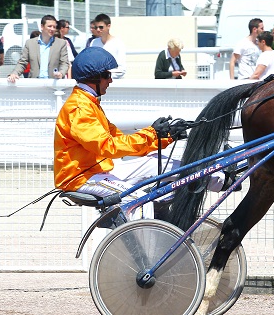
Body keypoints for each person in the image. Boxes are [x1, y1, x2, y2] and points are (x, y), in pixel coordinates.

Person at [53, 47, 226, 224]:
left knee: (154, 161)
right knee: (140, 200)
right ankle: (146, 249)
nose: (110, 80)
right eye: (106, 75)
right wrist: (151, 133)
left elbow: (122, 142)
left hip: (98, 169)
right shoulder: (79, 108)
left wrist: (164, 137)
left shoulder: (90, 104)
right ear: (93, 77)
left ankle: (220, 178)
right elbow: (109, 146)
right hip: (81, 178)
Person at [7, 15, 68, 82]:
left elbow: (64, 63)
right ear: (42, 27)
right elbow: (22, 63)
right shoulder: (30, 43)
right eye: (49, 26)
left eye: (54, 27)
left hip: (53, 83)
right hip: (35, 83)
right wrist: (14, 73)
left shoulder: (61, 43)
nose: (52, 29)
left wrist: (61, 73)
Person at [90, 13, 127, 79]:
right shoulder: (94, 42)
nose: (98, 30)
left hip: (114, 83)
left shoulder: (118, 43)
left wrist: (105, 76)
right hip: (97, 84)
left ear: (108, 26)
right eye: (96, 27)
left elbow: (122, 69)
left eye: (101, 27)